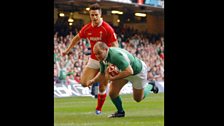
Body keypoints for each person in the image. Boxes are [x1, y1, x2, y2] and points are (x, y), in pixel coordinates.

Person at [62, 3, 118, 115]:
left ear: (100, 14)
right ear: (90, 15)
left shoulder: (107, 28)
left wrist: (114, 62)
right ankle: (96, 80)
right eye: (92, 15)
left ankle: (98, 109)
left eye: (96, 15)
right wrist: (67, 49)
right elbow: (76, 38)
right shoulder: (87, 28)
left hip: (106, 61)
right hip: (93, 60)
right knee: (83, 83)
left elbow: (115, 45)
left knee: (102, 86)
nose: (94, 17)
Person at [87, 42, 159, 118]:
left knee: (138, 99)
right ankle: (120, 112)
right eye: (95, 54)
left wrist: (112, 78)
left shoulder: (115, 56)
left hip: (137, 72)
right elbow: (101, 74)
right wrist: (92, 81)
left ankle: (151, 85)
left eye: (99, 53)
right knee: (112, 93)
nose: (97, 56)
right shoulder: (103, 58)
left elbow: (130, 71)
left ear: (106, 49)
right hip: (124, 71)